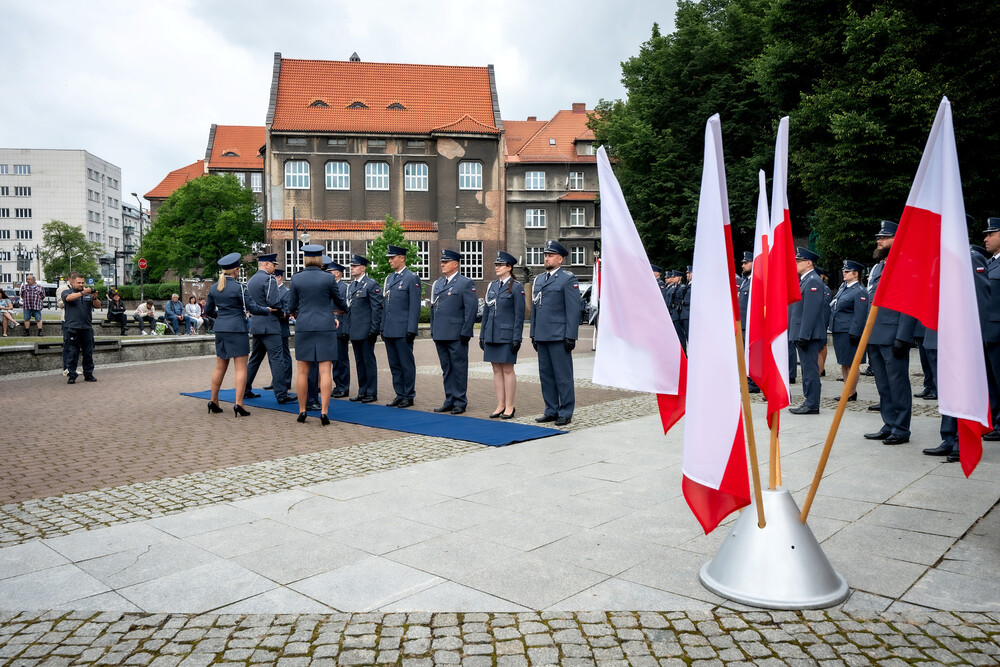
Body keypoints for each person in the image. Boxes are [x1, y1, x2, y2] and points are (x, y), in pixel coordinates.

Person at [926, 245, 991, 461]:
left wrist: (974, 338)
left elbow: (981, 301)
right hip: (938, 334)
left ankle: (961, 441)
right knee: (945, 390)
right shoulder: (939, 259)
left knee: (961, 390)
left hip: (960, 337)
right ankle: (948, 437)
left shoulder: (972, 259)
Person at [863, 220, 917, 445]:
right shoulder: (879, 267)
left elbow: (910, 302)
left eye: (884, 237)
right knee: (883, 384)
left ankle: (901, 428)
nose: (879, 241)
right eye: (879, 237)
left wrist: (903, 336)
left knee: (898, 383)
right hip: (875, 334)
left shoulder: (906, 265)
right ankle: (889, 422)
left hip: (893, 334)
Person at [204, 253, 274, 417]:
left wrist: (221, 318)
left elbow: (207, 311)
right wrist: (267, 310)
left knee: (220, 367)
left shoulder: (214, 287)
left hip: (220, 329)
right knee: (241, 368)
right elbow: (253, 308)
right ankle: (239, 404)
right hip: (237, 329)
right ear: (236, 270)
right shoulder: (240, 288)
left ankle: (213, 401)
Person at [287, 244, 347, 425]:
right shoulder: (328, 278)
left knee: (303, 371)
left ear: (305, 259)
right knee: (325, 369)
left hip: (304, 326)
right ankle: (324, 412)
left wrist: (299, 313)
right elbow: (339, 301)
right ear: (320, 259)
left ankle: (302, 410)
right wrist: (342, 311)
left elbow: (291, 307)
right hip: (325, 326)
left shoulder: (296, 279)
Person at [530, 240, 580, 426]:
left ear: (560, 259)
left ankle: (565, 411)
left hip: (559, 336)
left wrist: (571, 335)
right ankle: (551, 409)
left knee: (563, 376)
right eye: (545, 255)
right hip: (542, 335)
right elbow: (535, 308)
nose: (546, 258)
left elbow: (573, 310)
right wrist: (533, 333)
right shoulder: (540, 279)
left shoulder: (567, 279)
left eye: (550, 255)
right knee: (546, 376)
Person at [429, 248, 477, 414]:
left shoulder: (465, 283)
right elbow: (434, 308)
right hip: (441, 333)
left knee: (459, 368)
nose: (442, 264)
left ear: (455, 264)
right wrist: (433, 329)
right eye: (442, 261)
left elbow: (471, 309)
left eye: (446, 261)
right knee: (446, 368)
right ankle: (449, 399)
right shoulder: (439, 283)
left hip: (457, 334)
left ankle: (460, 401)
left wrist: (466, 331)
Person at [244, 253, 295, 404]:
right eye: (273, 264)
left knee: (255, 359)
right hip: (270, 325)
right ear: (266, 265)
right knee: (278, 359)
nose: (274, 267)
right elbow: (274, 302)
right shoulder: (269, 279)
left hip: (256, 324)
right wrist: (283, 313)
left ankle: (245, 389)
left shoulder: (251, 280)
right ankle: (281, 394)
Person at [481, 251, 525, 419]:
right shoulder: (492, 286)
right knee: (496, 369)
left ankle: (509, 406)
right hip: (492, 333)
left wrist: (517, 338)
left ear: (509, 267)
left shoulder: (516, 286)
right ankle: (500, 404)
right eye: (496, 265)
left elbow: (519, 315)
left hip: (507, 335)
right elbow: (486, 311)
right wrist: (483, 334)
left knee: (507, 369)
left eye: (500, 265)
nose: (496, 267)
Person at [381, 244, 421, 408]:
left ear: (402, 258)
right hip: (390, 329)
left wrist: (411, 329)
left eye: (392, 258)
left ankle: (408, 395)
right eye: (389, 258)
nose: (390, 261)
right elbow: (386, 304)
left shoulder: (411, 278)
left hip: (403, 329)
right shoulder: (390, 278)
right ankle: (399, 393)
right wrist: (383, 327)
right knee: (394, 364)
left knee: (406, 364)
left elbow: (414, 306)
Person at [788, 247, 826, 414]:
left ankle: (812, 403)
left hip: (808, 335)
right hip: (802, 333)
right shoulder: (805, 280)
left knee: (810, 370)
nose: (795, 264)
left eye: (798, 261)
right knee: (806, 369)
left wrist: (804, 335)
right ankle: (808, 400)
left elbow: (810, 312)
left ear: (809, 263)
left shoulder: (813, 281)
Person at [830, 260, 869, 401]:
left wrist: (855, 332)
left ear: (855, 273)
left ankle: (851, 392)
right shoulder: (844, 288)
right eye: (844, 271)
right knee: (844, 363)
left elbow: (860, 314)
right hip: (840, 330)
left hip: (849, 332)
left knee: (852, 363)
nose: (844, 273)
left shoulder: (859, 291)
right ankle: (847, 390)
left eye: (847, 271)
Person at [346, 254, 382, 403]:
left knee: (368, 362)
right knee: (359, 362)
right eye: (351, 266)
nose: (351, 268)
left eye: (354, 266)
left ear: (363, 268)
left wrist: (374, 329)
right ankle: (362, 391)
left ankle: (371, 392)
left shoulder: (371, 284)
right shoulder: (352, 286)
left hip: (366, 331)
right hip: (355, 331)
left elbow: (377, 309)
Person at [62, 272, 101, 384]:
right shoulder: (67, 292)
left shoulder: (88, 294)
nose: (81, 284)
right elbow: (68, 299)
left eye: (83, 283)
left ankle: (88, 374)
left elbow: (98, 305)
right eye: (78, 283)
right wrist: (82, 293)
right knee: (72, 352)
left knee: (88, 352)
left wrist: (94, 298)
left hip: (86, 327)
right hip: (72, 327)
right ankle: (72, 375)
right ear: (72, 282)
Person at [736, 251, 761, 393]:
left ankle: (754, 382)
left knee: (752, 354)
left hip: (751, 324)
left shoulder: (756, 280)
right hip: (744, 323)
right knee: (746, 353)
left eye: (746, 262)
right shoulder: (746, 281)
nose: (743, 265)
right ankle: (749, 379)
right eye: (743, 263)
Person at [329, 261, 352, 398]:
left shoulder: (344, 287)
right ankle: (338, 385)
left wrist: (345, 329)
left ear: (337, 273)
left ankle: (343, 387)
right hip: (330, 326)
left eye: (330, 272)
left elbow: (347, 309)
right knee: (333, 359)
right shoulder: (329, 287)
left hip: (340, 325)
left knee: (341, 359)